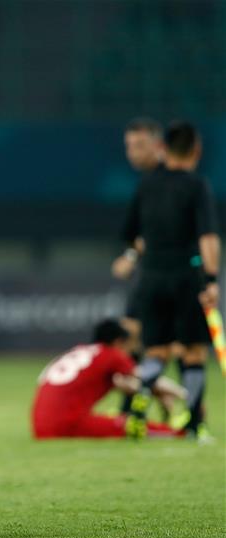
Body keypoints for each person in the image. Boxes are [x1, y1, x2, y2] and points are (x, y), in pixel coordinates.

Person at [123, 121, 220, 441]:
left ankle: (137, 412)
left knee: (155, 352)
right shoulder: (196, 185)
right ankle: (193, 424)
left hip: (151, 278)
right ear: (196, 150)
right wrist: (211, 279)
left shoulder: (146, 185)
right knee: (193, 353)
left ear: (164, 148)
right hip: (185, 276)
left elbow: (131, 233)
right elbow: (208, 237)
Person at [32, 319, 182, 439]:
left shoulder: (79, 352)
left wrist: (156, 393)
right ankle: (181, 433)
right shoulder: (110, 354)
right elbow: (149, 379)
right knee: (132, 426)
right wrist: (184, 395)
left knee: (116, 419)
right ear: (118, 342)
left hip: (40, 427)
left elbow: (126, 385)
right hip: (66, 425)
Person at [110, 118, 164, 414]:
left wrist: (130, 257)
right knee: (134, 336)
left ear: (158, 145)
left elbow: (161, 232)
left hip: (169, 274)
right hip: (151, 271)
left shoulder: (167, 181)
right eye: (129, 146)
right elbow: (141, 232)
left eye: (140, 145)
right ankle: (132, 408)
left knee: (164, 346)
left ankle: (192, 413)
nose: (133, 152)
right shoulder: (147, 183)